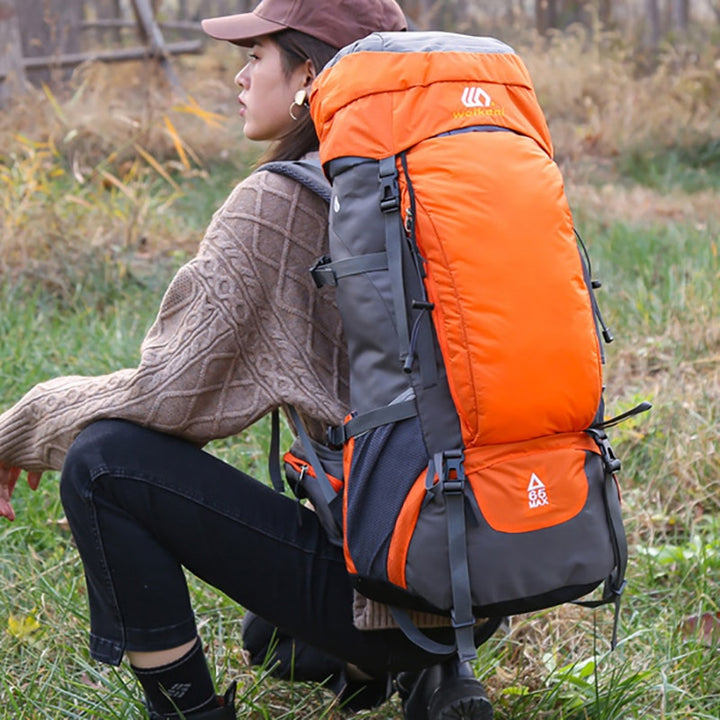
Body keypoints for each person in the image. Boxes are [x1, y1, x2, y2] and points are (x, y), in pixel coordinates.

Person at [0, 1, 496, 718]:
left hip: (390, 590)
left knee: (103, 462)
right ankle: (434, 671)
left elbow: (166, 397)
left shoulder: (280, 200)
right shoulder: (444, 180)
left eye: (256, 54)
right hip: (497, 563)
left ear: (308, 75)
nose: (239, 75)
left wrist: (20, 426)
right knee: (272, 640)